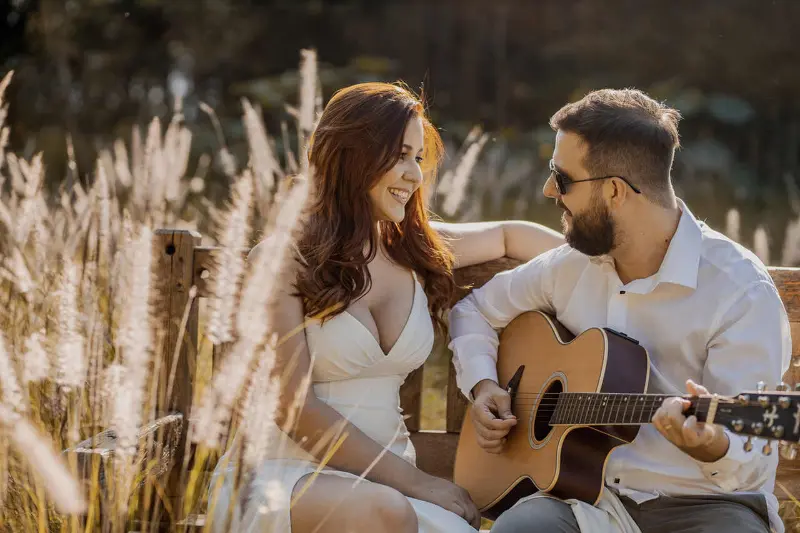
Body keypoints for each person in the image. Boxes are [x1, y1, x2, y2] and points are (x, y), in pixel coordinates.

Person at [207, 82, 564, 533]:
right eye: (399, 155)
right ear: (350, 155)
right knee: (386, 515)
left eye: (417, 158)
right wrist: (421, 484)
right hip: (283, 476)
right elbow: (293, 410)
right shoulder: (282, 260)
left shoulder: (412, 249)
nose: (415, 176)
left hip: (389, 484)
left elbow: (512, 236)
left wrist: (602, 269)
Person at [448, 88, 791, 533]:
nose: (548, 189)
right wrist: (483, 385)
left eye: (562, 177)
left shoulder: (740, 290)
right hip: (587, 501)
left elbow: (749, 454)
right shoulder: (572, 266)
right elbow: (473, 310)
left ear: (614, 191)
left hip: (708, 508)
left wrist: (712, 447)